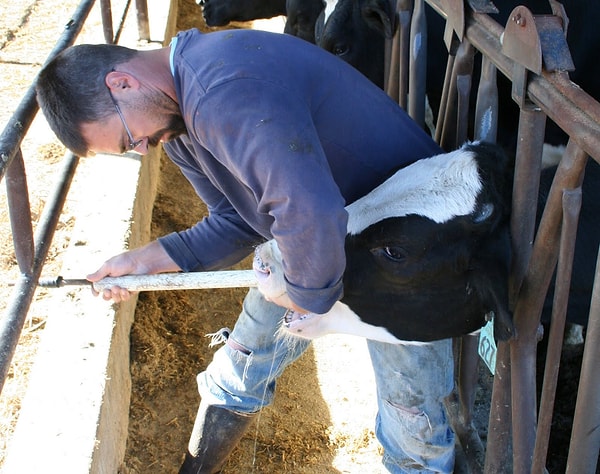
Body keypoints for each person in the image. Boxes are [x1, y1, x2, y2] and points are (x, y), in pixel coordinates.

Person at [36, 27, 455, 473]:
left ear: (122, 83)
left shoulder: (222, 91)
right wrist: (141, 262)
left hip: (410, 250)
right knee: (242, 361)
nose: (142, 148)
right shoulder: (176, 123)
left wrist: (305, 297)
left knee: (411, 419)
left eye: (128, 139)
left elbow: (308, 211)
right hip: (326, 239)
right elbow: (237, 221)